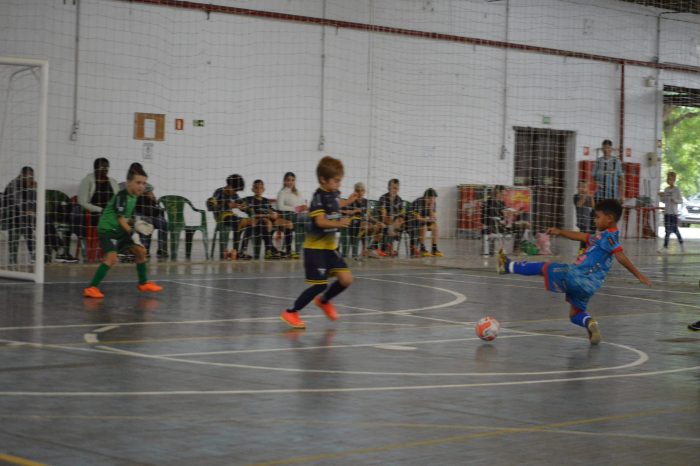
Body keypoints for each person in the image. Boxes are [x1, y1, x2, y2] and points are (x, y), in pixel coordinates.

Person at [497, 199, 651, 345]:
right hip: (590, 287)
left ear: (610, 218)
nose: (595, 220)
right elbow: (581, 236)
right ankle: (590, 323)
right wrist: (560, 232)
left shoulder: (610, 238)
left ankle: (507, 266)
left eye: (597, 217)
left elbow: (621, 256)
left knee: (543, 267)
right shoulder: (601, 237)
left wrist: (639, 275)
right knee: (575, 314)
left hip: (575, 276)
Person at [280, 155, 358, 329]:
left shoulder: (333, 193)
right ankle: (291, 312)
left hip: (330, 248)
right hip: (315, 249)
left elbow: (336, 204)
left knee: (346, 279)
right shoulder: (318, 198)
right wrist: (339, 223)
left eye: (340, 181)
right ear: (323, 180)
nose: (339, 184)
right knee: (319, 284)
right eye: (336, 181)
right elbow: (320, 221)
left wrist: (349, 202)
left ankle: (324, 301)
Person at [83, 165, 163, 299]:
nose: (141, 186)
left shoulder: (134, 197)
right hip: (107, 230)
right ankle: (91, 288)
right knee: (111, 258)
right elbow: (120, 219)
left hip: (119, 230)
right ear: (128, 182)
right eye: (138, 182)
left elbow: (126, 217)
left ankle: (143, 283)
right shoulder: (122, 196)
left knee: (141, 252)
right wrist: (133, 233)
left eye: (143, 183)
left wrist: (135, 223)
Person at [119, 163, 168, 259]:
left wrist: (151, 196)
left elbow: (154, 201)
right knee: (144, 223)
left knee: (164, 223)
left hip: (150, 211)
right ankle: (143, 249)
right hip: (136, 212)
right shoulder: (123, 186)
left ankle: (162, 249)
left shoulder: (148, 186)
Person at [208, 174, 251, 260]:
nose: (236, 193)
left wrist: (244, 207)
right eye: (235, 190)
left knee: (249, 223)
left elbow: (241, 204)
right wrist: (228, 206)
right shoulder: (219, 192)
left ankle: (241, 251)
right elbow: (211, 206)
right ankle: (234, 250)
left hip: (232, 217)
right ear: (229, 186)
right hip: (221, 217)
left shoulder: (235, 195)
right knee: (236, 221)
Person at [243, 180, 288, 259]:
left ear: (263, 189)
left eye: (260, 188)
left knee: (271, 222)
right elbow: (252, 214)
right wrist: (265, 215)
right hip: (255, 222)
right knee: (266, 222)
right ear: (252, 189)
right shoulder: (249, 199)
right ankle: (270, 249)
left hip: (266, 222)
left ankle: (269, 251)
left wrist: (274, 214)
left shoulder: (266, 201)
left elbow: (271, 211)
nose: (258, 190)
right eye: (256, 188)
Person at [340, 182, 383, 259]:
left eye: (362, 191)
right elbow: (341, 211)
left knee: (380, 227)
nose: (360, 193)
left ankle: (368, 249)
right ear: (354, 191)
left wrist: (377, 222)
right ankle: (364, 251)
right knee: (366, 225)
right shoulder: (351, 200)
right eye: (357, 191)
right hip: (353, 223)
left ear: (364, 191)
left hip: (364, 223)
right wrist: (353, 211)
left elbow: (369, 216)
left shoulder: (366, 202)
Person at [3, 167, 36, 264]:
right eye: (29, 176)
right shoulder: (13, 185)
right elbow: (15, 204)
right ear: (23, 175)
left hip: (24, 215)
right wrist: (26, 212)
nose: (31, 179)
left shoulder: (27, 185)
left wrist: (33, 190)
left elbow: (33, 203)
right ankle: (33, 254)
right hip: (9, 214)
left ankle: (58, 248)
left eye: (32, 176)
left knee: (46, 219)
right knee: (26, 223)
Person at [276, 172, 308, 259]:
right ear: (284, 181)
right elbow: (280, 207)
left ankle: (298, 250)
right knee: (306, 220)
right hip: (288, 215)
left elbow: (302, 202)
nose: (290, 182)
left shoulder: (297, 192)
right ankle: (307, 247)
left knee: (306, 221)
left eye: (293, 180)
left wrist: (305, 206)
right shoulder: (282, 193)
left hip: (299, 215)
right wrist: (296, 209)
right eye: (288, 180)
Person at [407, 188, 443, 257]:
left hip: (424, 221)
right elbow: (417, 218)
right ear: (426, 198)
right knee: (424, 225)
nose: (433, 201)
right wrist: (427, 219)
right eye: (431, 199)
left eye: (434, 199)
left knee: (435, 225)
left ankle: (434, 248)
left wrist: (430, 209)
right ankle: (422, 248)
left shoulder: (433, 204)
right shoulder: (418, 202)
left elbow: (433, 218)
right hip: (412, 223)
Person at [658, 171, 685, 253]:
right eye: (668, 178)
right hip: (667, 213)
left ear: (674, 179)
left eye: (670, 179)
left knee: (675, 230)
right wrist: (661, 196)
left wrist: (675, 200)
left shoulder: (677, 190)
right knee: (667, 230)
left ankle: (681, 245)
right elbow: (664, 201)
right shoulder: (666, 189)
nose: (669, 180)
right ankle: (665, 247)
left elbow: (681, 201)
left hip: (673, 213)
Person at [378, 178, 405, 256]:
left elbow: (402, 215)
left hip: (395, 224)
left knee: (399, 220)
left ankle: (388, 246)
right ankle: (390, 246)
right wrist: (392, 219)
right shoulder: (383, 198)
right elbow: (383, 215)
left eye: (397, 188)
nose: (395, 190)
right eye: (393, 188)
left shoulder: (399, 200)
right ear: (388, 188)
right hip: (384, 221)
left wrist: (400, 219)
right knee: (390, 219)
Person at [574, 180, 595, 252]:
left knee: (587, 239)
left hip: (587, 221)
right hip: (581, 222)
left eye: (584, 187)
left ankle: (585, 252)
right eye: (581, 187)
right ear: (577, 187)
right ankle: (581, 253)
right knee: (583, 239)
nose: (583, 189)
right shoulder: (576, 196)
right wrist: (585, 195)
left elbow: (593, 206)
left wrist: (591, 197)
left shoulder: (587, 197)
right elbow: (579, 204)